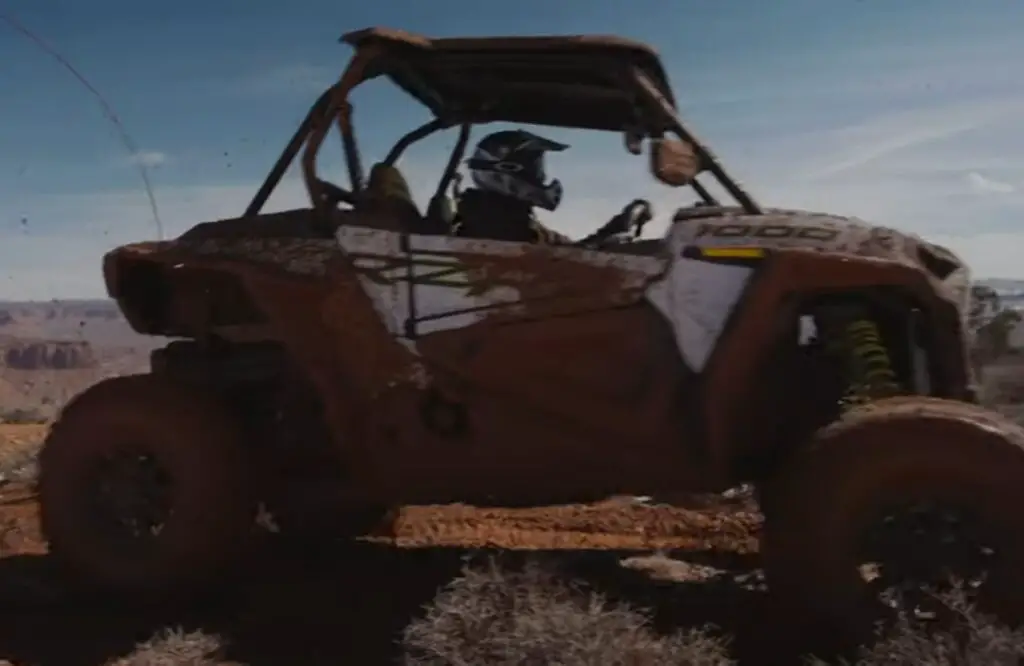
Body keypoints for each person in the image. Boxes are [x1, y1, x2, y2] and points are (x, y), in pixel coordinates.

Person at [452, 129, 574, 244]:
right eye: (535, 169)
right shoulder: (509, 227)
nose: (541, 178)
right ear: (501, 176)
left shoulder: (472, 216)